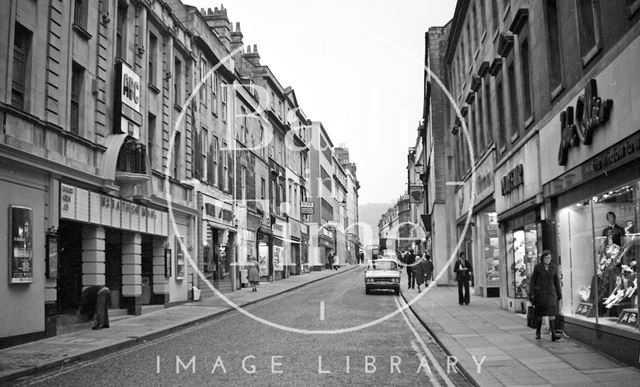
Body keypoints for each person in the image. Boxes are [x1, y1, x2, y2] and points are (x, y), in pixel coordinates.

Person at [529, 250, 562, 341]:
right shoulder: (538, 267)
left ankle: (553, 333)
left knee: (552, 314)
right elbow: (533, 281)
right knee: (540, 314)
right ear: (542, 258)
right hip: (540, 294)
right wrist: (531, 293)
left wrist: (559, 294)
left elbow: (557, 282)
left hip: (551, 294)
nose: (548, 259)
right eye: (546, 258)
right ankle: (538, 332)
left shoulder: (553, 267)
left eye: (550, 258)